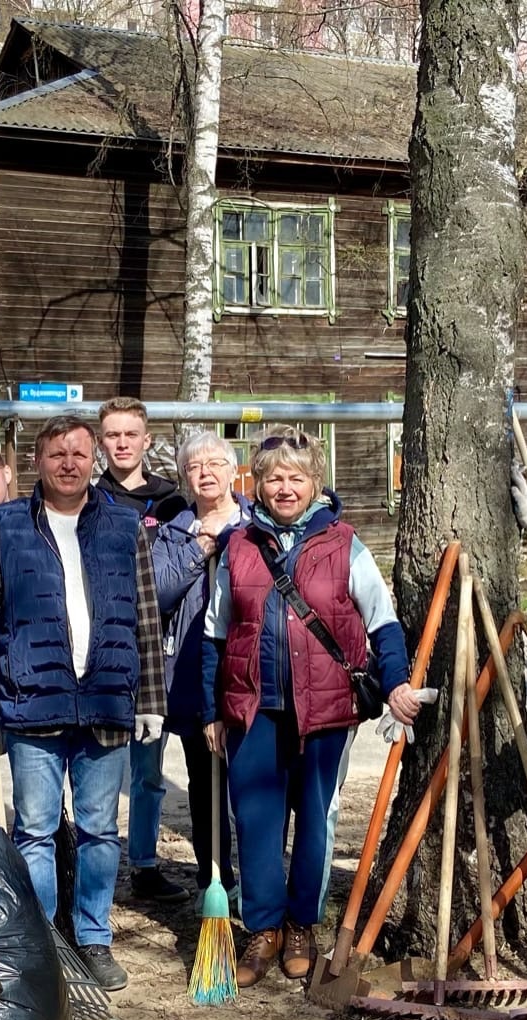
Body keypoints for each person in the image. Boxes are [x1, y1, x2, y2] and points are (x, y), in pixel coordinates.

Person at [200, 430, 423, 987]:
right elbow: (214, 634)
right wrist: (210, 708)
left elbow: (384, 623)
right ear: (257, 483)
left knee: (316, 822)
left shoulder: (346, 544)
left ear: (315, 484)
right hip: (254, 709)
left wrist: (395, 682)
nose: (284, 487)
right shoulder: (239, 546)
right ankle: (263, 928)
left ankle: (302, 924)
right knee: (254, 821)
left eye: (296, 477)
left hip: (325, 711)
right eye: (274, 477)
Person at [0, 415, 167, 991]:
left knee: (100, 830)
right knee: (36, 830)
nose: (68, 463)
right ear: (37, 463)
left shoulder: (124, 525)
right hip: (35, 698)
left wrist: (150, 698)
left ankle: (93, 938)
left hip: (105, 696)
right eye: (56, 454)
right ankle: (47, 941)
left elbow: (146, 614)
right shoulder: (6, 524)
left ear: (93, 457)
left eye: (78, 453)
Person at [97, 397, 193, 904]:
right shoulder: (90, 500)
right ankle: (97, 866)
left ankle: (145, 864)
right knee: (102, 768)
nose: (121, 444)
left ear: (146, 440)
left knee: (149, 769)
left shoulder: (172, 503)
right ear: (100, 441)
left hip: (157, 651)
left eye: (130, 435)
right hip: (108, 651)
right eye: (112, 435)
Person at [151, 430, 250, 901]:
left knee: (252, 784)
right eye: (195, 466)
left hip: (249, 673)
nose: (206, 473)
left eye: (215, 463)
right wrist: (199, 552)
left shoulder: (257, 526)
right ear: (186, 478)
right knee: (204, 783)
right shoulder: (173, 532)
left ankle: (259, 883)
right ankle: (216, 877)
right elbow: (156, 594)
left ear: (234, 471)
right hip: (193, 673)